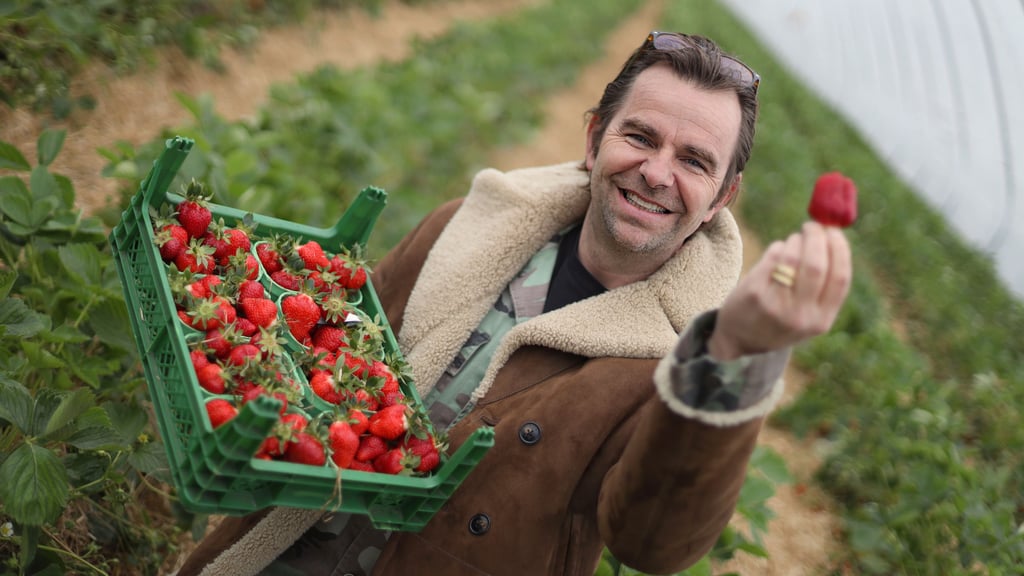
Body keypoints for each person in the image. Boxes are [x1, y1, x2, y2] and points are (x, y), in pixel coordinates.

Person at [176, 30, 851, 576]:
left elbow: (653, 542)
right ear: (593, 140)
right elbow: (350, 335)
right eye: (640, 137)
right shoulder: (465, 229)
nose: (655, 172)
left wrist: (735, 354)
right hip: (284, 551)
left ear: (721, 200)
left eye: (695, 161)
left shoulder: (675, 367)